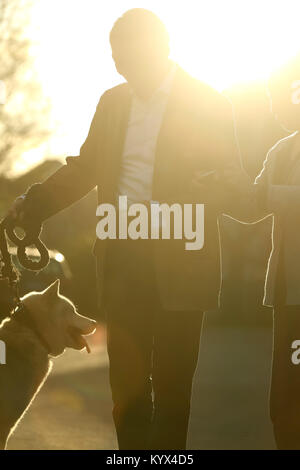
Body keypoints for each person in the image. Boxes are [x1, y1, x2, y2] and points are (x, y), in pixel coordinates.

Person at [8, 9, 248, 449]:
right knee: (127, 391)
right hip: (124, 258)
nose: (121, 66)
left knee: (175, 391)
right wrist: (36, 204)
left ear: (160, 48)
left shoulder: (208, 103)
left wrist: (209, 187)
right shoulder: (113, 103)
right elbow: (86, 169)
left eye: (129, 57)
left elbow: (233, 181)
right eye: (116, 58)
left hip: (182, 256)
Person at [244, 53, 300, 449]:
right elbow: (252, 204)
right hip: (286, 295)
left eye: (282, 96)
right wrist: (215, 188)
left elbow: (270, 196)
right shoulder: (282, 150)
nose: (276, 107)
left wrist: (265, 195)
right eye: (271, 99)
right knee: (283, 401)